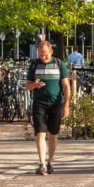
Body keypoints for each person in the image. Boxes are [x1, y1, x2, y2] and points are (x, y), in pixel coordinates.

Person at [24, 39, 72, 175]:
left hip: (56, 103)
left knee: (53, 134)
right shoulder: (34, 65)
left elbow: (66, 86)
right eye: (40, 54)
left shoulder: (59, 64)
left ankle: (50, 162)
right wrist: (35, 85)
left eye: (45, 54)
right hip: (39, 103)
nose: (43, 57)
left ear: (51, 51)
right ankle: (42, 164)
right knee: (40, 133)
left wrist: (66, 105)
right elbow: (27, 86)